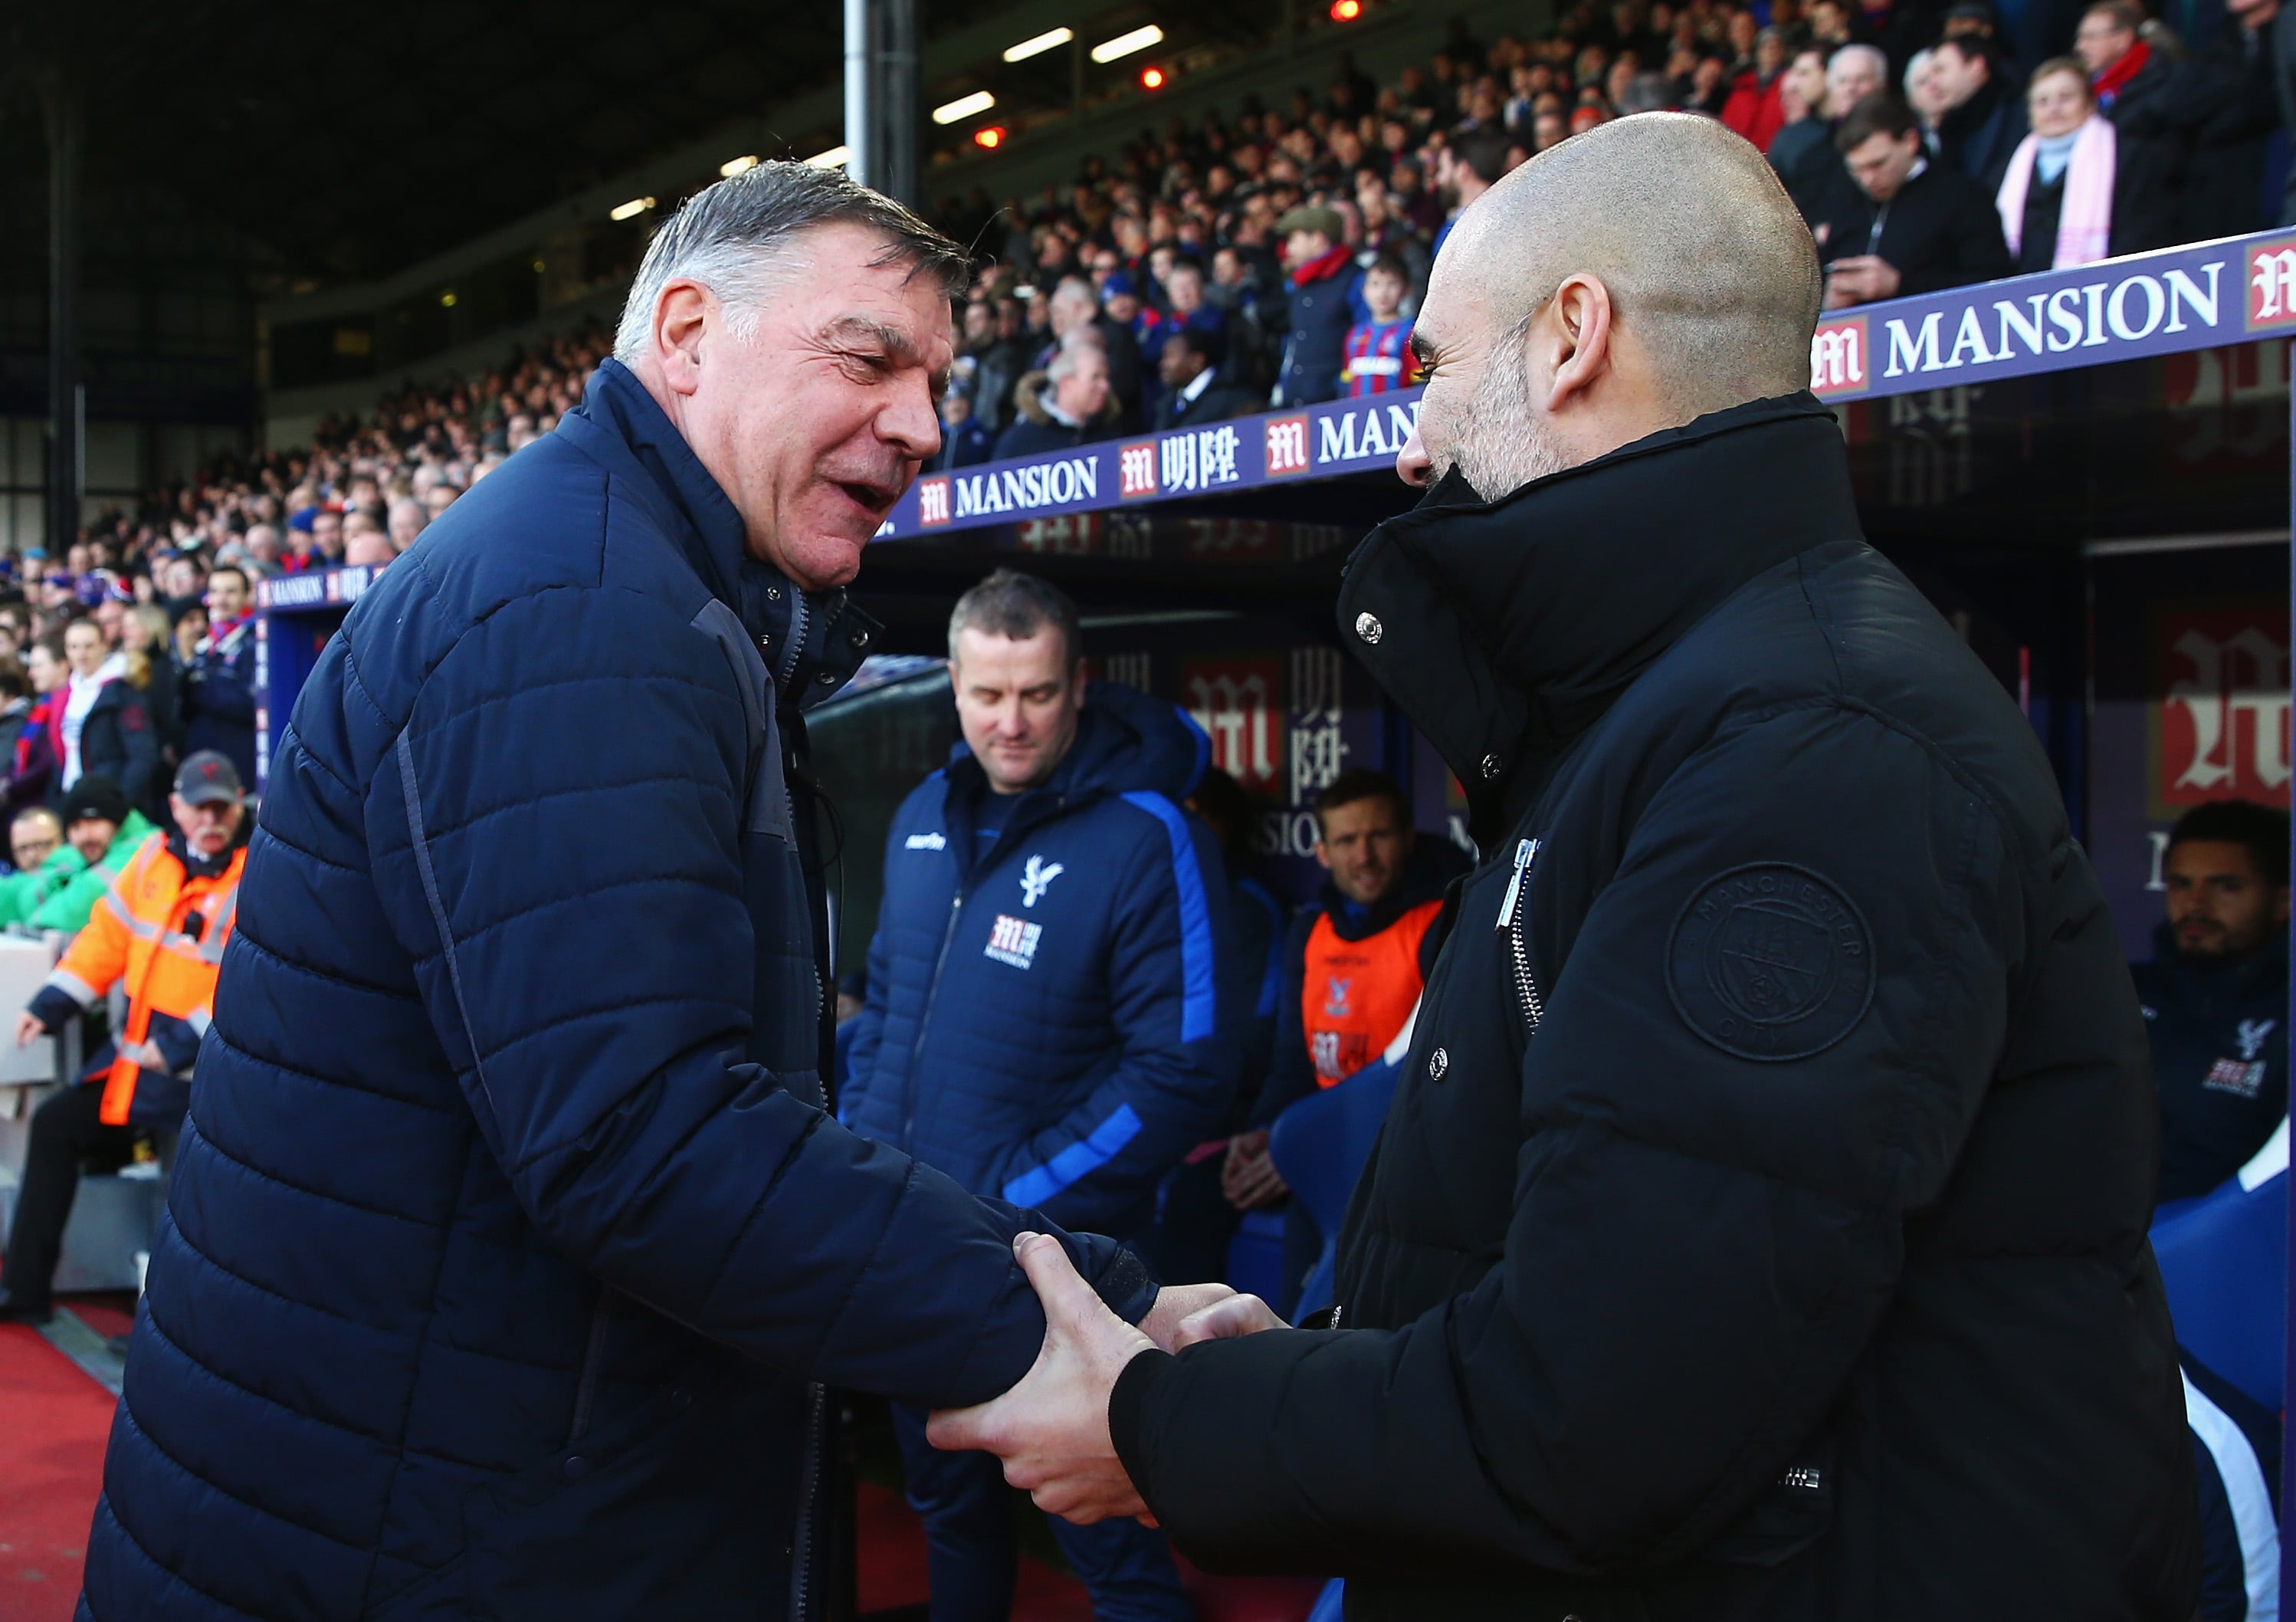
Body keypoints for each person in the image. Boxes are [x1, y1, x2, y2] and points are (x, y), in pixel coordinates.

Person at [933, 112, 2199, 1622]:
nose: (1408, 442)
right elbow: (1571, 1271)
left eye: (1433, 368)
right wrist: (1309, 1361)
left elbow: (1599, 1412)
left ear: (1571, 338)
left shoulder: (1808, 745)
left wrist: (1161, 1426)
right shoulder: (1681, 713)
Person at [77, 161, 1232, 1622]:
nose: (925, 425)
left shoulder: (616, 577)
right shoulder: (580, 605)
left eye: (939, 380)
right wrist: (1079, 1315)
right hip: (422, 1533)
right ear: (684, 336)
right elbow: (641, 1131)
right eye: (869, 358)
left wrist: (1087, 1291)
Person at [841, 569, 1237, 1622]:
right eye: (986, 696)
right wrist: (861, 1150)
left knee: (1107, 1549)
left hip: (1057, 1276)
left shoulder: (1150, 836)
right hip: (911, 1251)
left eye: (1038, 695)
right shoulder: (924, 811)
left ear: (1080, 687)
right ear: (954, 689)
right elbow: (887, 1004)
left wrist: (1016, 1200)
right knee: (949, 1516)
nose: (1009, 724)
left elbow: (1183, 1070)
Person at [0, 752, 250, 1327]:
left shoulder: (258, 872)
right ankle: (26, 1289)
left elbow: (249, 981)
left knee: (187, 1189)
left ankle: (169, 1323)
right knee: (55, 1126)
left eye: (222, 806)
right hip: (138, 1065)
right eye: (199, 807)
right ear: (176, 808)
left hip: (204, 1073)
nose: (211, 818)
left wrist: (185, 1042)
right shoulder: (151, 861)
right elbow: (105, 939)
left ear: (238, 805)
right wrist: (52, 1003)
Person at [1228, 770, 1466, 1305]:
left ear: (1407, 838)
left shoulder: (1444, 920)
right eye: (1346, 840)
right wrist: (1265, 1132)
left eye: (1378, 836)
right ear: (1322, 852)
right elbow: (1294, 1057)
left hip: (1403, 1155)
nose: (1363, 855)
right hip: (1325, 1147)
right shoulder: (1312, 927)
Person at [2132, 800, 2291, 1205]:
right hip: (2096, 1250)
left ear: (2283, 900)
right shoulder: (2116, 993)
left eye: (2226, 886)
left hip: (2237, 1251)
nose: (2196, 904)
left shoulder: (2287, 1012)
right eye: (2182, 884)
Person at [1822, 94, 2014, 307]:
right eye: (1857, 169)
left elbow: (1995, 285)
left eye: (1878, 164)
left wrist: (1900, 285)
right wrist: (1826, 304)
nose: (1868, 179)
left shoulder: (1963, 198)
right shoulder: (1845, 203)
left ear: (1910, 141)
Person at [1996, 57, 2167, 268]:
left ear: (2089, 104)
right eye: (2042, 101)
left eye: (2066, 97)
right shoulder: (2008, 169)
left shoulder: (2127, 155)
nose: (2054, 109)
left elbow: (2140, 230)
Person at [2076, 0, 2188, 238]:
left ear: (2123, 38)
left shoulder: (2163, 80)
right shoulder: (2089, 91)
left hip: (2154, 214)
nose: (2080, 47)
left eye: (2090, 37)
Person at [0, 775, 159, 935]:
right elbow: (21, 888)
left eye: (94, 822)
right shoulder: (80, 855)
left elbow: (81, 905)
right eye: (76, 827)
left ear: (117, 822)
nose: (85, 836)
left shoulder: (145, 847)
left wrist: (33, 923)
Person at [57, 616, 159, 815]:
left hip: (111, 803)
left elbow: (143, 756)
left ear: (104, 645)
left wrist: (119, 803)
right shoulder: (67, 694)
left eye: (89, 646)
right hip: (75, 799)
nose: (81, 654)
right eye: (74, 647)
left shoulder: (124, 693)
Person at [1273, 205, 1363, 408]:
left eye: (1293, 240)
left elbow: (1364, 335)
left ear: (1317, 239)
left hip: (1337, 402)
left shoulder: (1354, 279)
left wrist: (1345, 388)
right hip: (1296, 401)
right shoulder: (1298, 285)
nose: (1288, 249)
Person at [180, 562, 258, 787]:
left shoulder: (255, 642)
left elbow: (250, 704)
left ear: (245, 596)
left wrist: (200, 686)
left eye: (231, 591)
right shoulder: (202, 647)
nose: (222, 599)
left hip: (239, 765)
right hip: (199, 760)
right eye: (215, 591)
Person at [1931, 35, 2030, 192]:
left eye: (1941, 70)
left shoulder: (2019, 116)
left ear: (1976, 67)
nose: (1933, 83)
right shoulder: (1951, 127)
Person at [994, 341, 1117, 460]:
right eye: (1095, 377)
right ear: (1067, 382)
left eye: (1106, 378)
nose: (1105, 386)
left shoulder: (1109, 435)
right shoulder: (1020, 441)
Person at [1153, 329, 1261, 431]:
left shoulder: (1234, 399)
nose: (1163, 364)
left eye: (1170, 355)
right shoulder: (1166, 406)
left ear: (1196, 361)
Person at [1342, 257, 1419, 398]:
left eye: (1392, 284)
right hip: (1360, 417)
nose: (1383, 292)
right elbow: (1346, 385)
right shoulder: (1354, 335)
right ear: (1364, 290)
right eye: (1375, 284)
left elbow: (1420, 384)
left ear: (1407, 289)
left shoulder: (1411, 332)